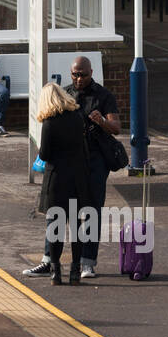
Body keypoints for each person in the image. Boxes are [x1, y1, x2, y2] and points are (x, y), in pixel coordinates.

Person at [22, 83, 92, 286]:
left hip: (57, 180)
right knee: (76, 226)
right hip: (77, 179)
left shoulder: (50, 123)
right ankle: (75, 270)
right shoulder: (78, 117)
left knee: (56, 227)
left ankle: (55, 271)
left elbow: (44, 154)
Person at [63, 56, 119, 280]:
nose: (78, 79)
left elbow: (116, 128)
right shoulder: (65, 94)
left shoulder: (103, 96)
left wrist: (101, 122)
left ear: (91, 72)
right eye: (75, 74)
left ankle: (88, 262)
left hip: (96, 160)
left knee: (93, 210)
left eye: (83, 75)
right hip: (72, 160)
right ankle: (72, 261)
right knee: (71, 211)